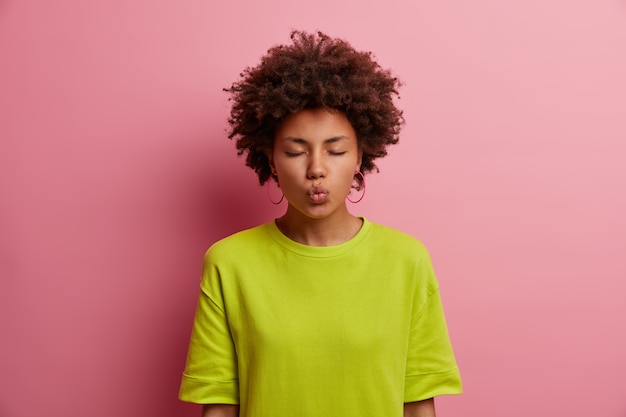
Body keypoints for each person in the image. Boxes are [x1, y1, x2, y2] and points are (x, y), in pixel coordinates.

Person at [179, 30, 462, 417]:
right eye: (296, 151)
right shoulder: (229, 264)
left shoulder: (406, 261)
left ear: (360, 155)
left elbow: (418, 406)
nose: (316, 169)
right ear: (271, 159)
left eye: (336, 150)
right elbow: (219, 409)